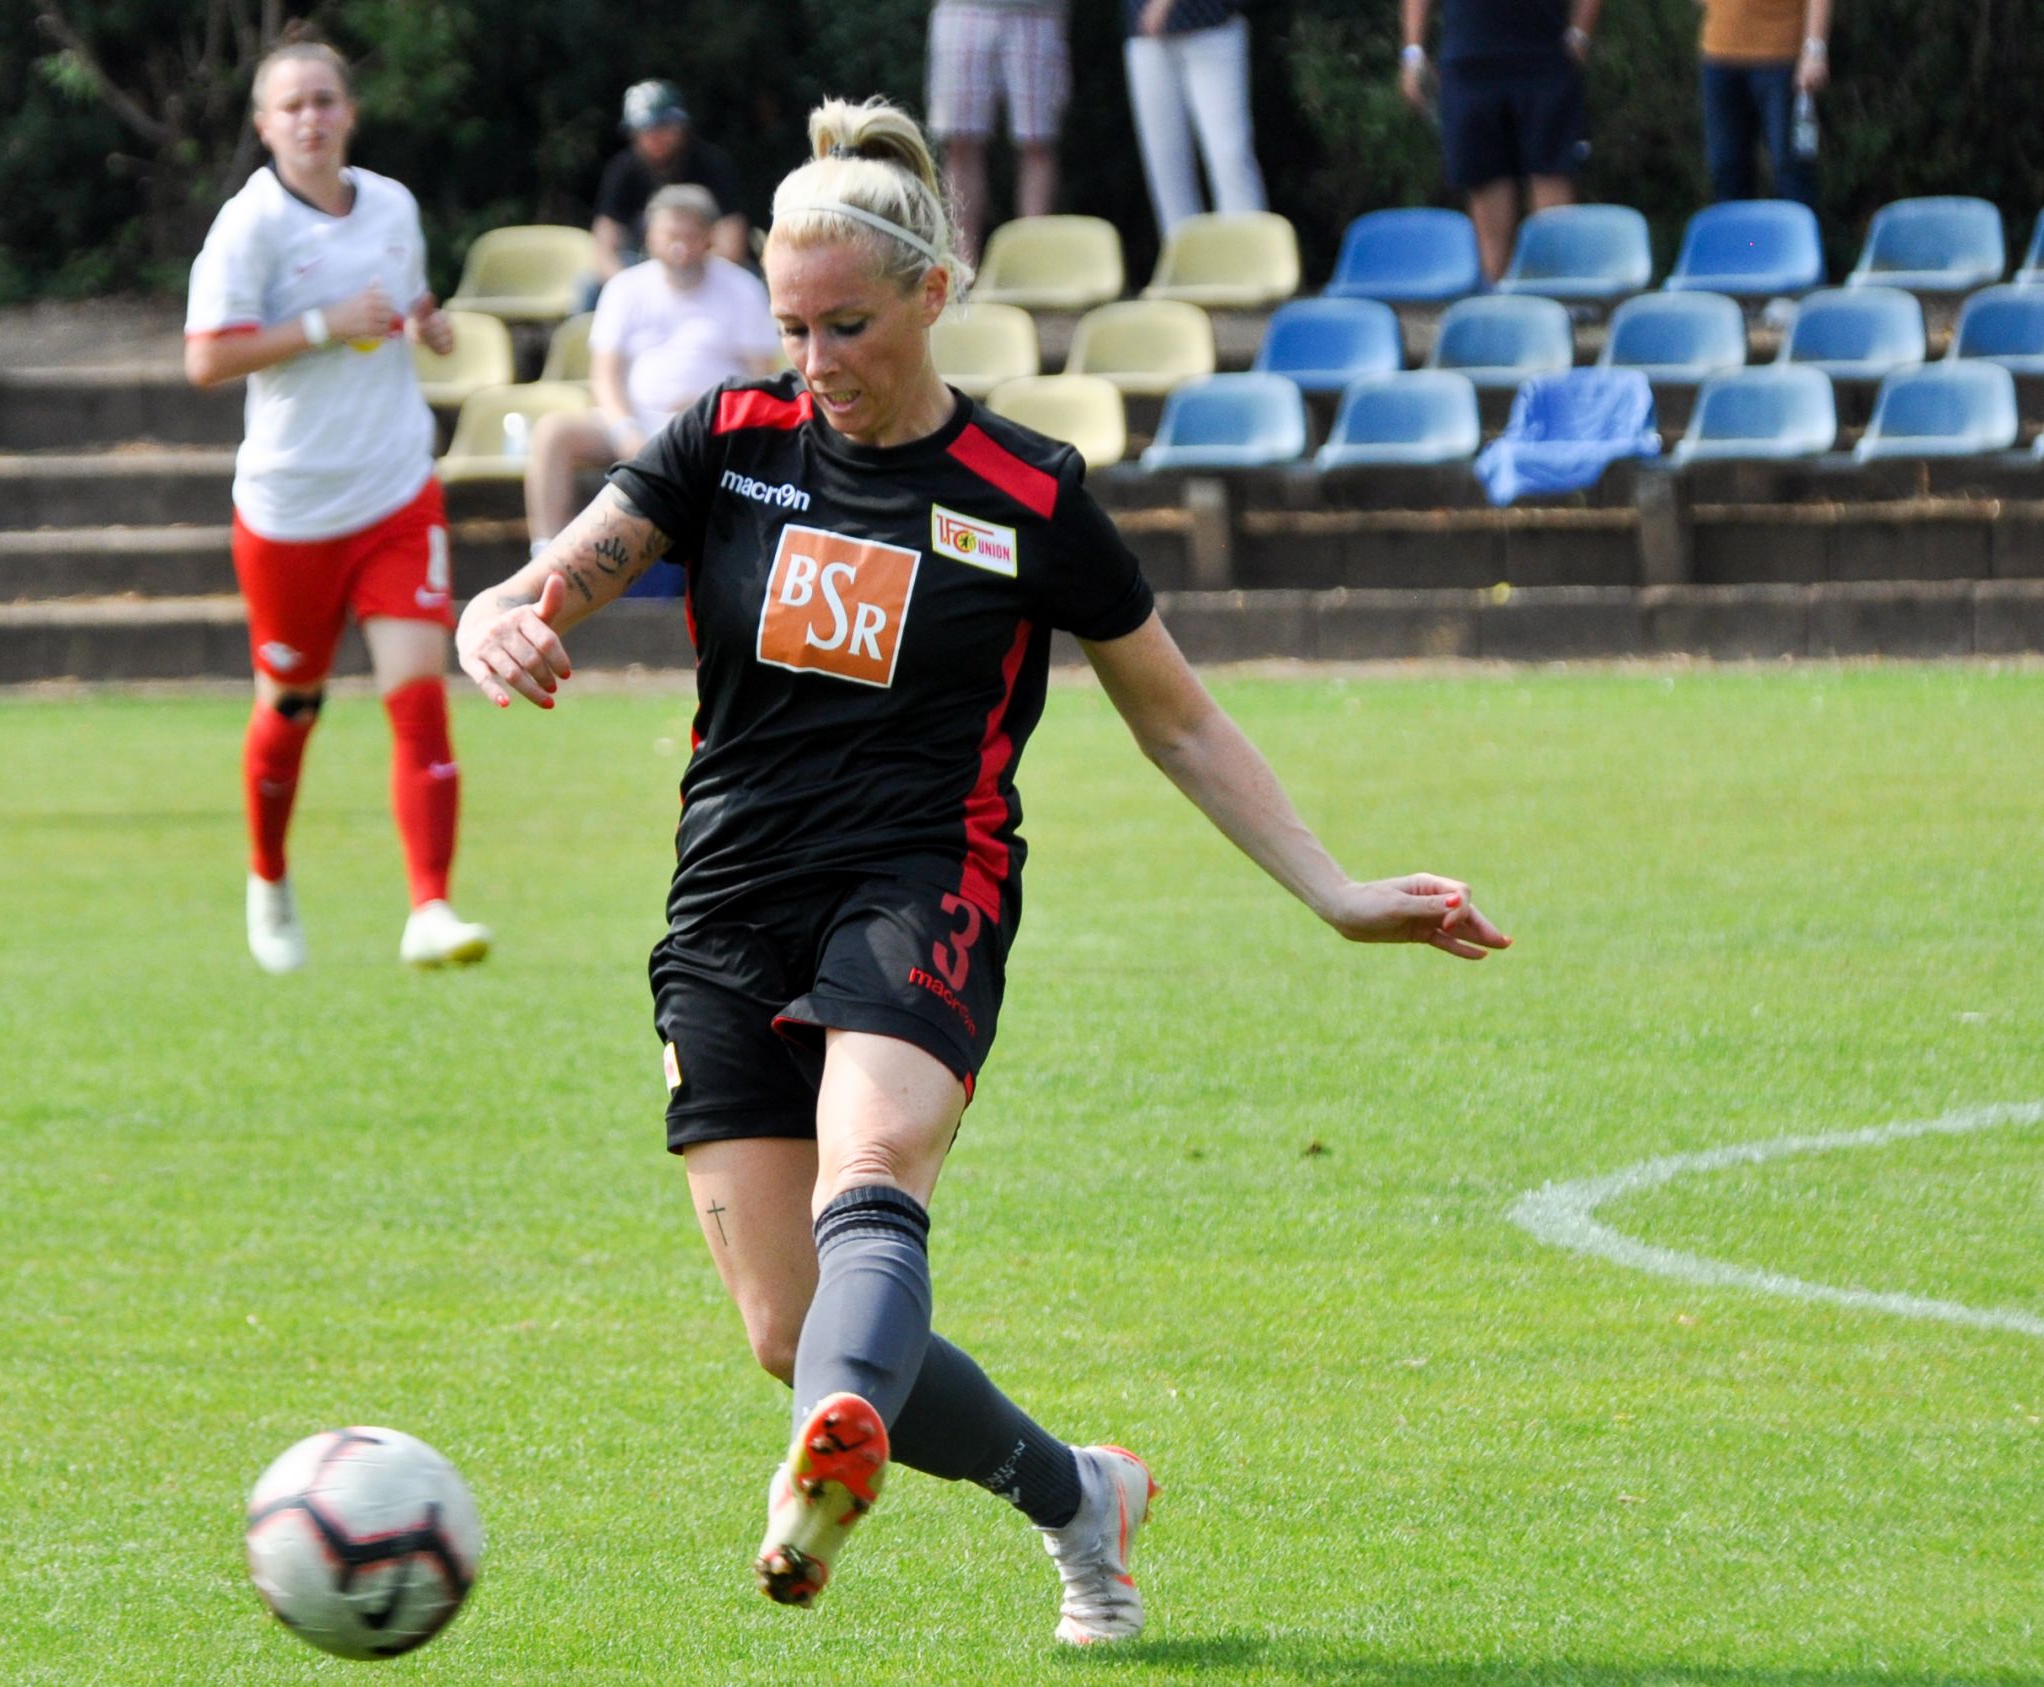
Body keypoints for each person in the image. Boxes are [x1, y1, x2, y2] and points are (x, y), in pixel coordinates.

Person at [456, 98, 1510, 1636]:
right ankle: (1081, 1493)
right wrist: (504, 610)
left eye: (849, 326)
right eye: (793, 326)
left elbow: (1183, 723)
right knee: (795, 1331)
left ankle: (809, 1484)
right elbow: (555, 571)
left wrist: (1339, 889)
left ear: (935, 294)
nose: (816, 362)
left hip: (921, 880)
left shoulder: (1028, 497)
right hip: (729, 902)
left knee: (871, 1174)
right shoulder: (724, 446)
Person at [183, 37, 493, 974]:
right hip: (289, 507)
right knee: (291, 707)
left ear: (349, 112)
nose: (311, 118)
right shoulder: (250, 228)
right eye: (292, 106)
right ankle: (269, 879)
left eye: (325, 100)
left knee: (418, 699)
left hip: (395, 488)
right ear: (265, 124)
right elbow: (204, 357)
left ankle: (430, 907)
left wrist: (426, 322)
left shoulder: (392, 204)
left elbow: (402, 305)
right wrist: (323, 326)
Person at [523, 186, 772, 563]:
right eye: (670, 235)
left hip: (713, 428)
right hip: (635, 423)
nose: (679, 247)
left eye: (689, 235)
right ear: (651, 237)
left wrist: (709, 414)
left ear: (709, 237)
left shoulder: (744, 289)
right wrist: (626, 430)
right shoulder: (625, 288)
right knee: (552, 433)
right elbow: (604, 377)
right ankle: (545, 555)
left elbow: (760, 380)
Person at [1403, 0, 1602, 283]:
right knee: (1486, 183)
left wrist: (1581, 34)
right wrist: (1413, 51)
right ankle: (1498, 302)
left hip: (1545, 59)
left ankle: (1558, 295)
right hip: (1469, 64)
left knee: (1551, 178)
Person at [926, 0, 1070, 261]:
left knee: (1037, 141)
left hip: (1038, 10)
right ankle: (962, 271)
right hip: (962, 8)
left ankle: (1035, 267)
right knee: (959, 141)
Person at [1123, 0, 1266, 235]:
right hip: (1146, 37)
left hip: (1213, 27)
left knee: (1229, 156)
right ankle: (1185, 267)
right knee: (1167, 169)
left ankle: (1252, 261)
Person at [591, 82, 751, 287]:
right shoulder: (623, 170)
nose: (655, 135)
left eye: (664, 125)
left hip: (706, 269)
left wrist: (695, 278)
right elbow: (604, 243)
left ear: (681, 126)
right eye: (645, 128)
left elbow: (731, 239)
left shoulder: (711, 164)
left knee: (748, 281)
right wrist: (624, 287)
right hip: (643, 270)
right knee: (589, 287)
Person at [1697, 0, 1830, 207]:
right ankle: (1743, 240)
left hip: (1783, 59)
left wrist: (1815, 50)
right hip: (1719, 57)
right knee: (1726, 168)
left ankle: (1794, 237)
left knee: (1791, 169)